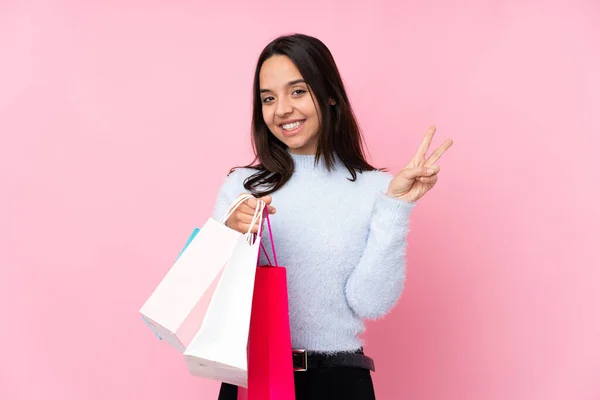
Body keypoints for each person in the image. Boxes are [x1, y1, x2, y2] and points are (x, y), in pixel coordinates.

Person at [212, 33, 453, 400]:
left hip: (338, 383)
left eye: (297, 91)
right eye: (268, 98)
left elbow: (372, 303)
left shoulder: (376, 189)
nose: (282, 110)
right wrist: (228, 237)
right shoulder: (242, 187)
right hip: (254, 378)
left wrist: (396, 209)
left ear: (329, 95)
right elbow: (213, 303)